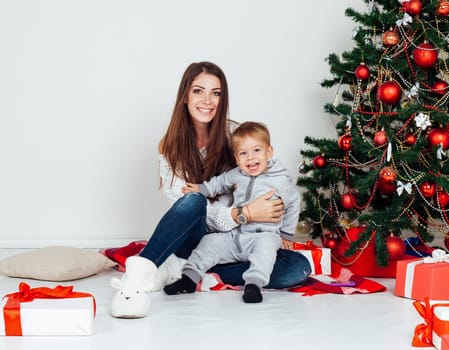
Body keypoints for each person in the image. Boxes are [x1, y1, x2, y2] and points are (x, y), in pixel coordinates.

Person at [110, 61, 311, 318]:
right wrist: (245, 213)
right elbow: (182, 207)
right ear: (185, 95)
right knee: (193, 200)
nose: (207, 100)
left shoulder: (233, 136)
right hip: (196, 237)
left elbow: (266, 172)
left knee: (297, 268)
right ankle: (134, 283)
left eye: (215, 93)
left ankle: (186, 272)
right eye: (198, 91)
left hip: (237, 242)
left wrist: (273, 214)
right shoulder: (170, 146)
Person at [163, 122, 300, 303]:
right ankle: (189, 278)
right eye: (243, 153)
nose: (250, 158)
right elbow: (219, 183)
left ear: (269, 152)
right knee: (209, 241)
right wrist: (201, 189)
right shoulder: (236, 174)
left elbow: (294, 203)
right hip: (236, 234)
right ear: (236, 158)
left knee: (266, 251)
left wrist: (286, 234)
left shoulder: (280, 179)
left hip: (263, 235)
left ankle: (253, 285)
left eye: (256, 151)